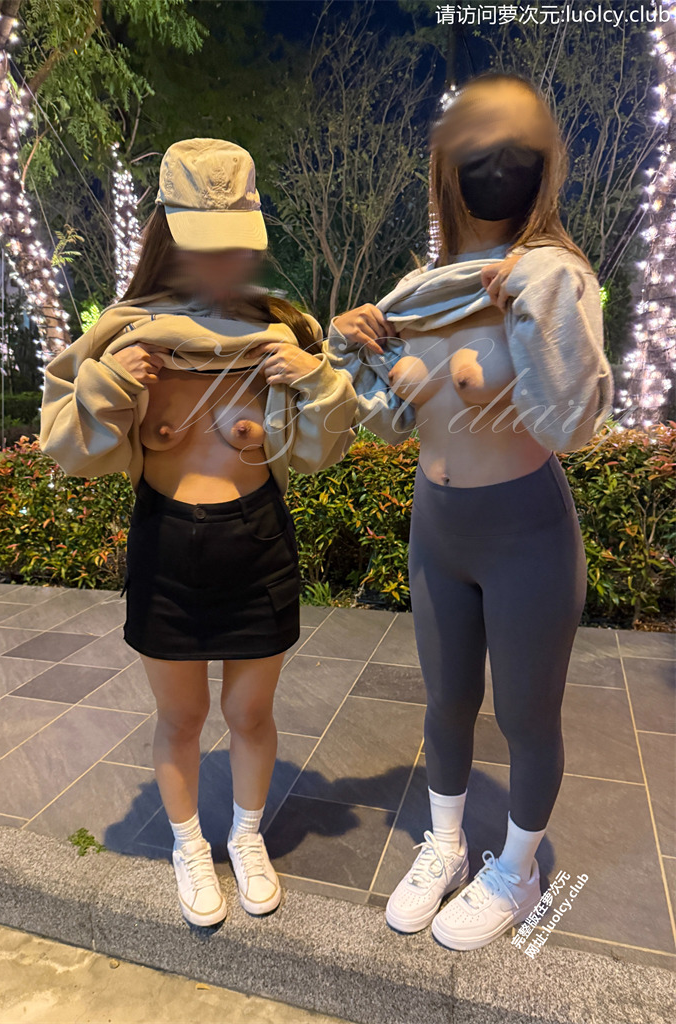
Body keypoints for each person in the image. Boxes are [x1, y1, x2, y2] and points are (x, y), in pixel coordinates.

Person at [324, 72, 613, 951]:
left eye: (514, 142)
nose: (495, 159)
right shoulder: (420, 291)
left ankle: (518, 871)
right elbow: (387, 425)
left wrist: (531, 295)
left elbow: (573, 422)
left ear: (543, 162)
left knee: (526, 714)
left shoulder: (557, 277)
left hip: (526, 530)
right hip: (438, 529)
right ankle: (445, 843)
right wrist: (357, 349)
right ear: (446, 165)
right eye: (477, 141)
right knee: (446, 701)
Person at [39, 138, 358, 928]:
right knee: (180, 718)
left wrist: (315, 383)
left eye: (232, 247)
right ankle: (189, 843)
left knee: (250, 714)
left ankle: (245, 835)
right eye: (200, 245)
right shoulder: (125, 338)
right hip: (166, 540)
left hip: (258, 539)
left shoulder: (280, 332)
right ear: (167, 236)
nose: (220, 265)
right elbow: (69, 451)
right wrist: (109, 385)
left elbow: (322, 450)